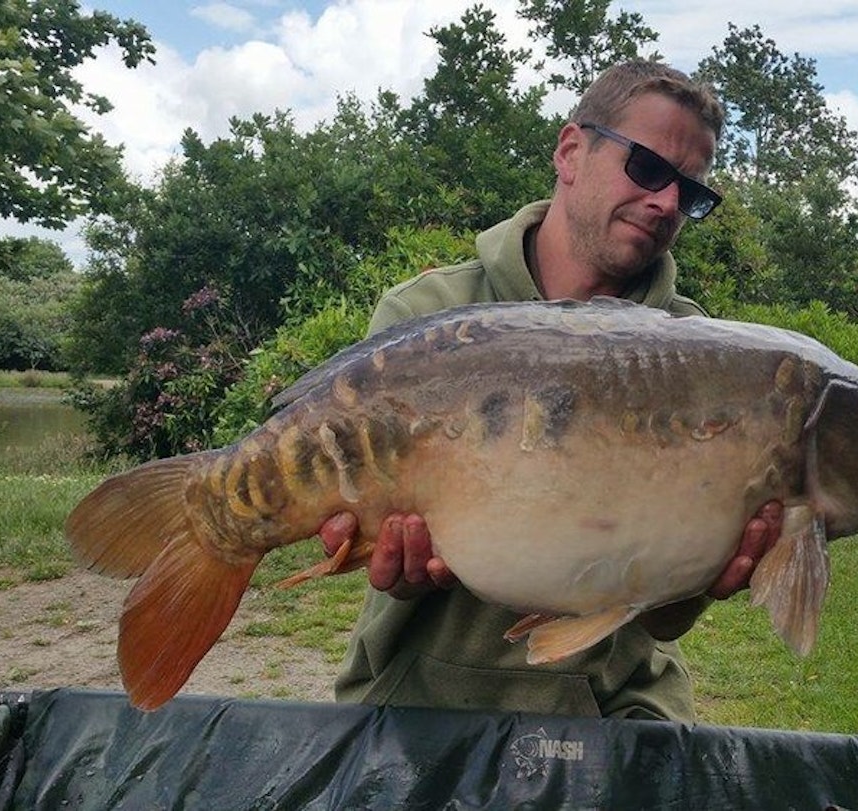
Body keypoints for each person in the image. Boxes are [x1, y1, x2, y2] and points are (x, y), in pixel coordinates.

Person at [315, 59, 783, 721]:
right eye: (648, 169)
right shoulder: (424, 312)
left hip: (615, 705)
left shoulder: (703, 350)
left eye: (692, 193)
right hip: (420, 698)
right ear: (571, 151)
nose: (668, 203)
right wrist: (369, 545)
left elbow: (666, 619)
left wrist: (709, 576)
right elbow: (358, 534)